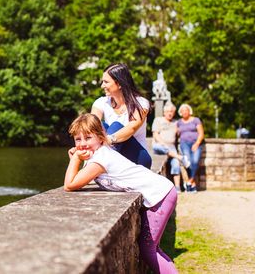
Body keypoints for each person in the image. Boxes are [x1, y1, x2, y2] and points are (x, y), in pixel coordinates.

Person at [64, 113, 178, 273]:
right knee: (151, 249)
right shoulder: (99, 154)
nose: (82, 144)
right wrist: (78, 160)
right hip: (161, 192)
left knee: (148, 249)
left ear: (101, 137)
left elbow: (70, 185)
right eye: (78, 139)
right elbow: (81, 179)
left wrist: (75, 159)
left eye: (88, 138)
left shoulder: (101, 159)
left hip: (160, 194)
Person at [91, 63, 152, 169]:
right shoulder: (101, 103)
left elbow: (131, 128)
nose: (102, 86)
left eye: (106, 82)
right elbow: (89, 127)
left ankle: (95, 168)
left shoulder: (141, 103)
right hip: (114, 155)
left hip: (138, 159)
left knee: (116, 126)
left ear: (119, 84)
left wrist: (107, 140)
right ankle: (94, 166)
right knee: (97, 125)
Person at [152, 102, 190, 192]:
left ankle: (177, 188)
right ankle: (181, 158)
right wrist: (163, 143)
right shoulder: (158, 120)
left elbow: (181, 133)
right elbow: (155, 134)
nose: (170, 113)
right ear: (164, 112)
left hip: (172, 147)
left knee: (176, 163)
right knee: (164, 149)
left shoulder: (176, 123)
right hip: (159, 145)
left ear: (174, 113)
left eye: (172, 111)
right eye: (168, 111)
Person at [177, 104, 204, 193]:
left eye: (186, 110)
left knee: (195, 161)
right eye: (183, 110)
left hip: (196, 143)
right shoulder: (179, 122)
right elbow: (176, 133)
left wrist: (197, 143)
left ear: (189, 111)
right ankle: (192, 185)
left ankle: (189, 182)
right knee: (188, 161)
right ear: (180, 113)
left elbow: (201, 133)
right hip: (184, 144)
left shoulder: (196, 120)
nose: (184, 112)